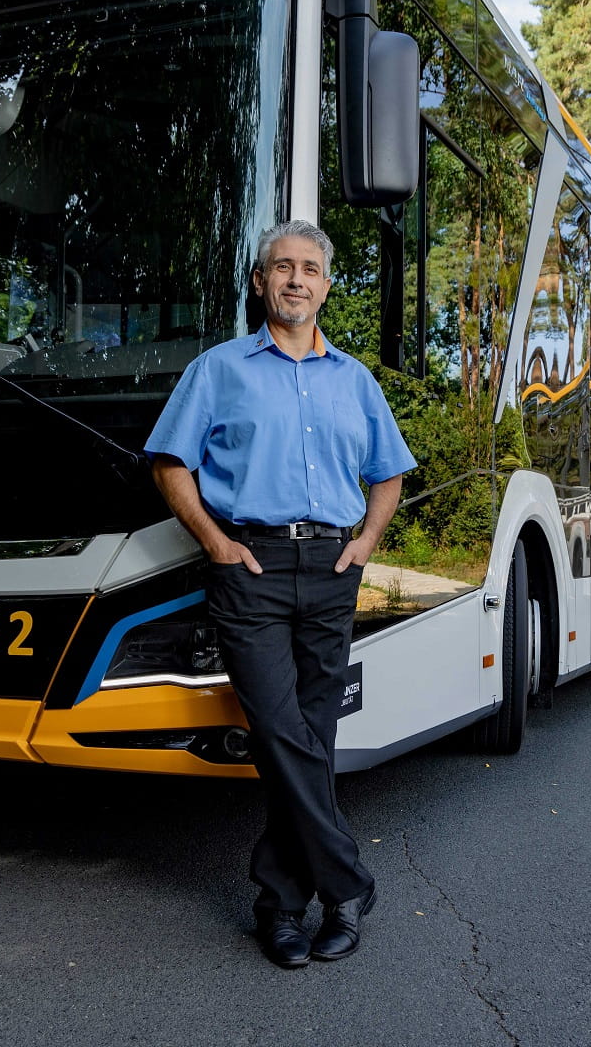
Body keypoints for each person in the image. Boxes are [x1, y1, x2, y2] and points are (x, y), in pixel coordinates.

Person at [144, 219, 415, 968]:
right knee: (277, 728)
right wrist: (216, 543)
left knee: (313, 737)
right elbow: (170, 462)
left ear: (326, 286)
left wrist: (363, 544)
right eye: (282, 268)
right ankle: (350, 881)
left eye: (310, 269)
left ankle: (284, 906)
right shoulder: (219, 370)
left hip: (330, 569)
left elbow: (389, 473)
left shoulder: (354, 380)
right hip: (250, 571)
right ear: (260, 282)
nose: (296, 279)